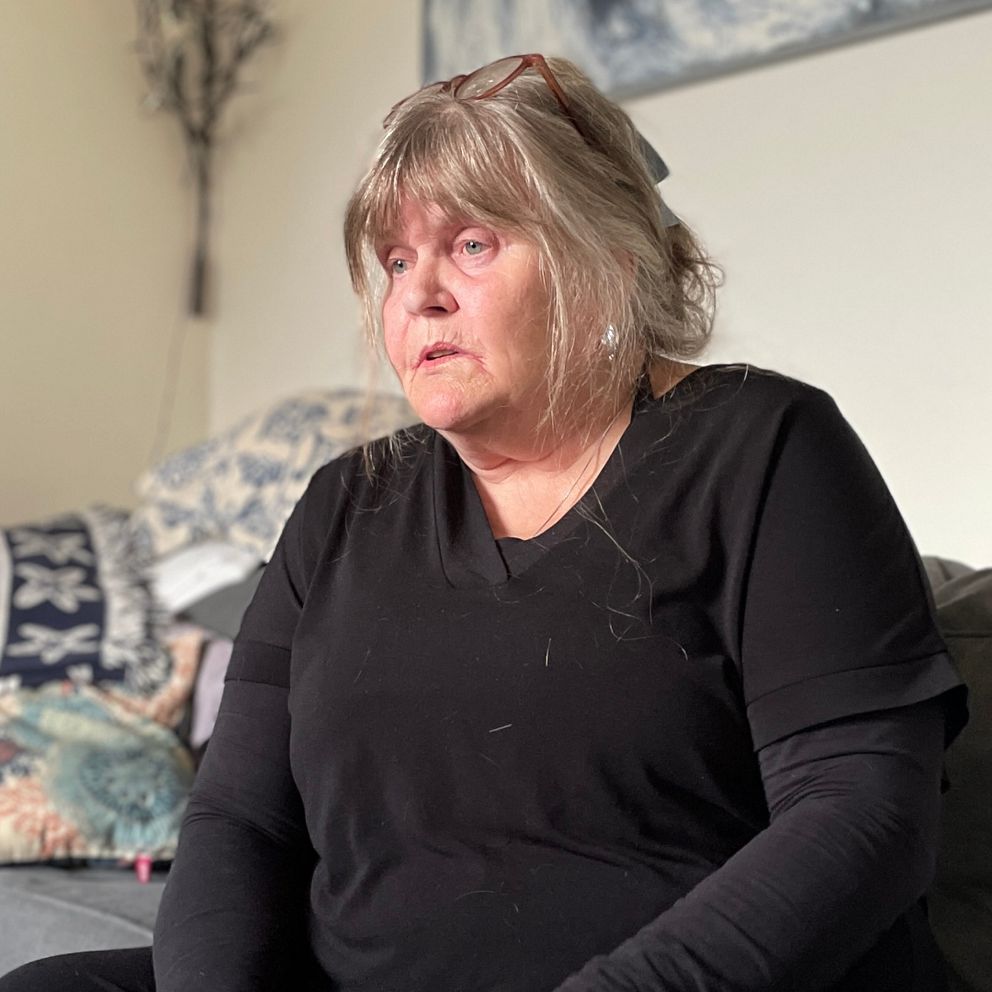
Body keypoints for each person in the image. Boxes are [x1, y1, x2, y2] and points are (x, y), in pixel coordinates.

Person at [1, 53, 967, 992]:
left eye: (470, 245)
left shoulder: (766, 447)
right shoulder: (343, 504)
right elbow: (238, 820)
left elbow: (860, 813)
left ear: (607, 260)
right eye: (396, 259)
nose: (418, 295)